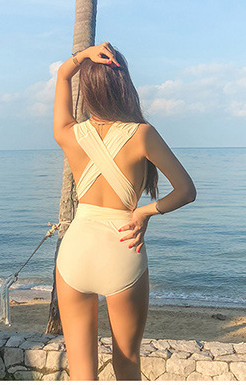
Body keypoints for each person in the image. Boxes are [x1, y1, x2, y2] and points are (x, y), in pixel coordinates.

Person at [53, 41, 197, 380]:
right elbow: (186, 191)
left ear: (87, 88)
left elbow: (62, 76)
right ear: (123, 83)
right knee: (127, 363)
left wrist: (82, 57)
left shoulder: (69, 134)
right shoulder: (142, 135)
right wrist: (144, 213)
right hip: (122, 247)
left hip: (75, 251)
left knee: (81, 372)